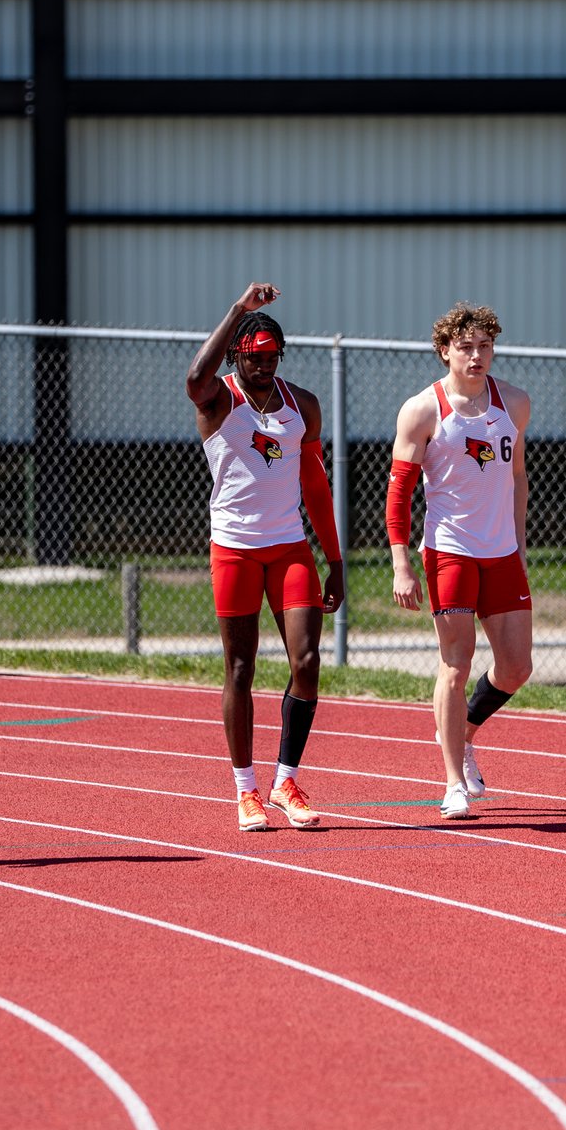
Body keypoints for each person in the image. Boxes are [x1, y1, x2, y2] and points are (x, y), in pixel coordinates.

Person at [186, 281, 344, 832]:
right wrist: (238, 310)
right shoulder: (219, 398)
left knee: (307, 661)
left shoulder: (302, 405)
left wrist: (335, 560)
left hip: (289, 548)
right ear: (237, 355)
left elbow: (315, 486)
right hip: (234, 549)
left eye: (272, 356)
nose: (264, 366)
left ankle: (286, 780)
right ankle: (245, 788)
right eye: (254, 357)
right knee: (240, 667)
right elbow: (194, 378)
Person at [386, 302, 532, 820]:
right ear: (445, 351)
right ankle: (453, 782)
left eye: (485, 346)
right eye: (466, 347)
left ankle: (463, 732)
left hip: (502, 553)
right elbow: (399, 493)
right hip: (450, 551)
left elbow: (517, 477)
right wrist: (401, 563)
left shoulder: (514, 403)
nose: (476, 356)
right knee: (456, 663)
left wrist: (518, 544)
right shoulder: (422, 410)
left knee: (517, 667)